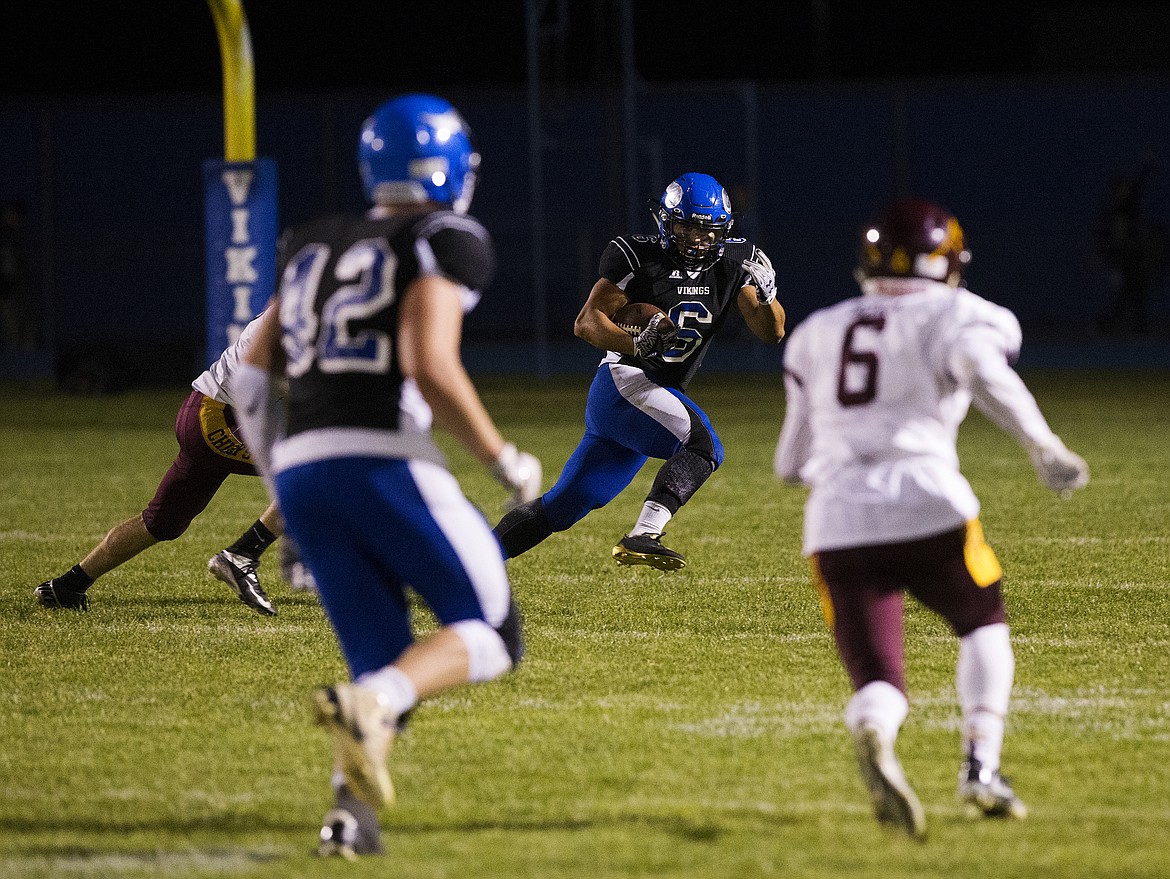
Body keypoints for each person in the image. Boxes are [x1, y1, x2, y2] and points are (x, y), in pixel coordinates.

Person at [232, 93, 542, 859]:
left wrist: (284, 490)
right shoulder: (444, 235)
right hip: (382, 460)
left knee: (380, 667)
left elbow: (248, 376)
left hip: (303, 471)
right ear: (446, 168)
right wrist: (503, 459)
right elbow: (429, 364)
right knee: (493, 634)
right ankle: (374, 710)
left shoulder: (311, 239)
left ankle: (348, 820)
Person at [774, 197, 1090, 840]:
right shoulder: (959, 312)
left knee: (880, 679)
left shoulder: (818, 329)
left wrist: (850, 468)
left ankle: (875, 727)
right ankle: (981, 766)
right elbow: (983, 371)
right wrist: (1043, 445)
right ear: (948, 261)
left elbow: (789, 462)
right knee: (982, 623)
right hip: (929, 503)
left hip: (837, 521)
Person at [494, 172, 785, 570]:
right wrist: (635, 344)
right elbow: (587, 322)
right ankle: (644, 532)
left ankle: (468, 567)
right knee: (703, 445)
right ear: (666, 222)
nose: (699, 239)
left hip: (651, 395)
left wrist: (768, 297)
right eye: (687, 227)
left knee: (561, 507)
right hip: (625, 381)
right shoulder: (638, 255)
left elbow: (772, 332)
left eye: (708, 230)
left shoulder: (735, 262)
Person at [33, 308, 296, 616]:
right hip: (215, 419)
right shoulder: (295, 315)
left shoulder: (297, 308)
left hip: (207, 413)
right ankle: (242, 554)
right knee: (308, 475)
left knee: (160, 523)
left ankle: (67, 586)